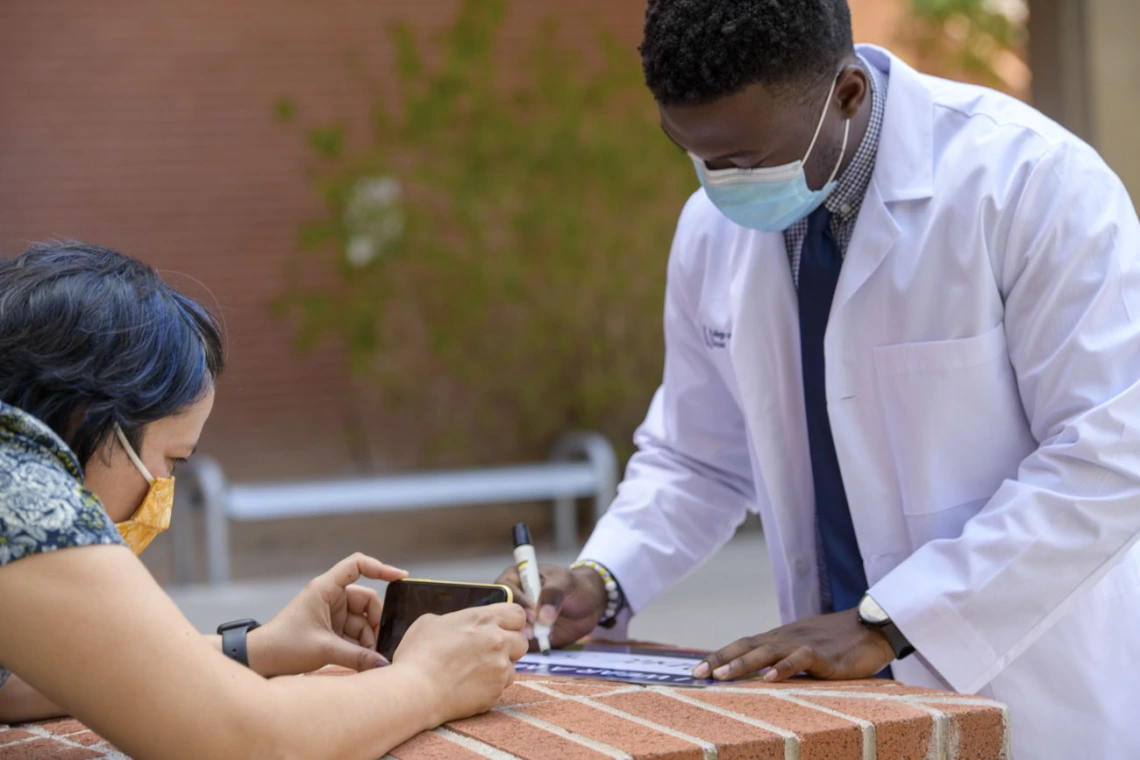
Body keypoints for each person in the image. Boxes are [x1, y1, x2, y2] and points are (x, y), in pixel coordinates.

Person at [496, 1, 1140, 757]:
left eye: (746, 159)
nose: (720, 183)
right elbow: (697, 457)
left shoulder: (1031, 184)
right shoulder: (712, 230)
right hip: (834, 710)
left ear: (848, 93)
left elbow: (1107, 456)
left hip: (1027, 692)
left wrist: (891, 619)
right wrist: (607, 578)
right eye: (694, 153)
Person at [0, 242, 528, 758]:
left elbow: (22, 677)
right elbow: (245, 742)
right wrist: (429, 680)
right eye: (173, 460)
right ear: (89, 420)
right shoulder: (20, 488)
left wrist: (257, 649)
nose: (164, 490)